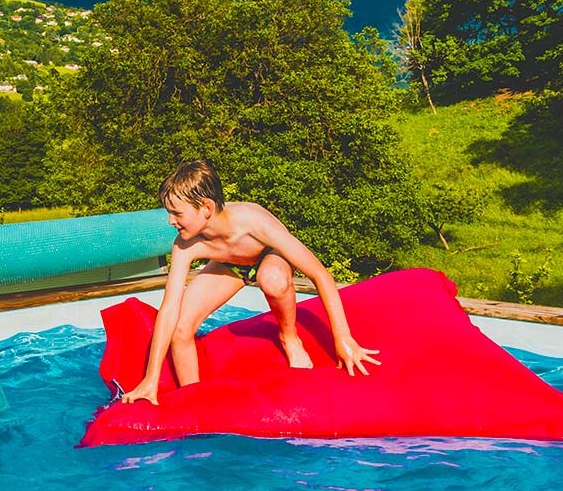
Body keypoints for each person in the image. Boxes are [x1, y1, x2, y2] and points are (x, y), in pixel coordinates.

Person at [121, 160, 379, 406]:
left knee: (272, 279)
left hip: (269, 256)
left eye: (177, 213)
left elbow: (320, 275)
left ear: (206, 209)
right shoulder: (185, 245)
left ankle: (289, 338)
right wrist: (151, 378)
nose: (170, 221)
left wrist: (344, 340)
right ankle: (195, 397)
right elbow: (169, 308)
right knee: (180, 328)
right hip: (230, 264)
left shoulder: (253, 223)